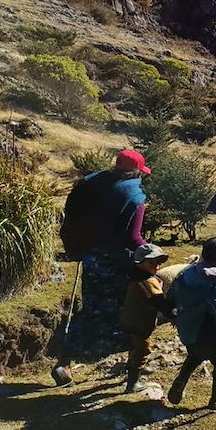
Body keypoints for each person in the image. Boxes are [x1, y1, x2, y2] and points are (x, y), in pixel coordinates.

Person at [52, 149, 151, 387]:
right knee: (132, 312)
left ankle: (64, 362)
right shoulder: (135, 196)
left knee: (91, 310)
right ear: (137, 171)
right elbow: (134, 237)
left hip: (92, 257)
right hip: (118, 263)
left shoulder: (96, 183)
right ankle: (133, 372)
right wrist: (151, 251)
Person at [167, 236, 216, 410]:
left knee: (194, 356)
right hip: (210, 332)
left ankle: (181, 380)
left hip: (189, 330)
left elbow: (171, 294)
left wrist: (173, 315)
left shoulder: (187, 272)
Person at [120, 244, 176, 393]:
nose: (156, 266)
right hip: (140, 322)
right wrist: (173, 314)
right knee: (143, 350)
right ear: (139, 262)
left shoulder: (134, 276)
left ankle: (131, 366)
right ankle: (133, 383)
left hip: (130, 318)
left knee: (134, 345)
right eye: (151, 262)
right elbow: (158, 301)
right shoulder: (147, 281)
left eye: (158, 262)